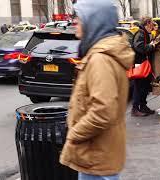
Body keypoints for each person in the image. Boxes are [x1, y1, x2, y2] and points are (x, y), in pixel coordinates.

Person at [59, 0, 134, 179]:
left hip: (97, 154)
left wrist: (74, 134)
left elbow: (103, 111)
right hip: (97, 152)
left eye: (79, 17)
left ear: (94, 21)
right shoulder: (100, 54)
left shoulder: (100, 59)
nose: (74, 22)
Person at [131, 17, 156, 117]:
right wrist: (152, 46)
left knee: (144, 86)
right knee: (138, 86)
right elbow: (139, 47)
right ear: (147, 23)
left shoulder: (145, 33)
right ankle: (135, 108)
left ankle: (143, 106)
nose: (153, 26)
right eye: (152, 23)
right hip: (140, 64)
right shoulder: (141, 32)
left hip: (144, 64)